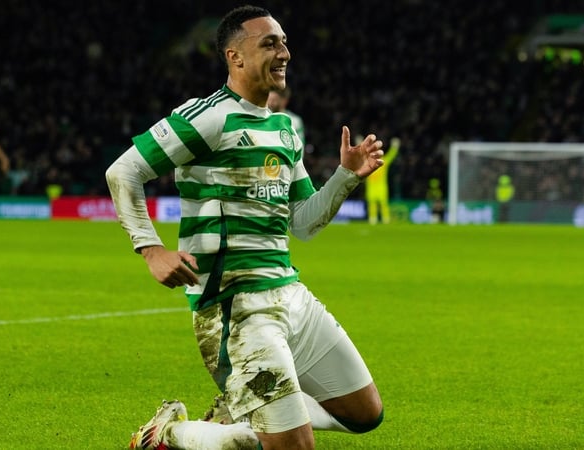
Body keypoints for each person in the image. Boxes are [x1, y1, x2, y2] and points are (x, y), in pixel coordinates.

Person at [105, 6, 385, 450]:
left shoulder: (284, 130)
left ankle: (235, 415)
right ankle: (170, 433)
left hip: (290, 294)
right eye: (270, 43)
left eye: (285, 42)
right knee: (292, 447)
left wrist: (345, 176)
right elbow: (123, 172)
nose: (284, 52)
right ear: (235, 57)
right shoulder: (207, 117)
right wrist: (151, 249)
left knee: (365, 413)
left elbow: (303, 224)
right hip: (236, 307)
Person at [364, 136, 399, 224]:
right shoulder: (369, 161)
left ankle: (386, 219)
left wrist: (395, 147)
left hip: (381, 187)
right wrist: (360, 142)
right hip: (371, 187)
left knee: (383, 204)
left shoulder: (383, 162)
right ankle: (373, 219)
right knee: (372, 204)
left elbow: (391, 156)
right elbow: (363, 153)